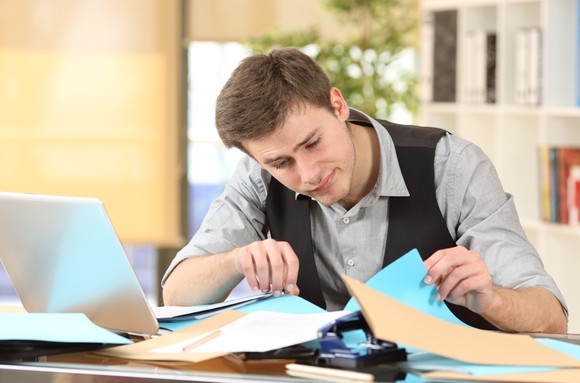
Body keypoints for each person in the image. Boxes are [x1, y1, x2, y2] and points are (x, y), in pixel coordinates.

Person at [162, 47, 567, 333]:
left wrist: (490, 298)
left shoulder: (453, 166)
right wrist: (237, 258)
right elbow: (177, 294)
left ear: (338, 106)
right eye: (280, 162)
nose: (307, 173)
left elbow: (551, 318)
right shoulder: (258, 175)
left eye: (312, 143)